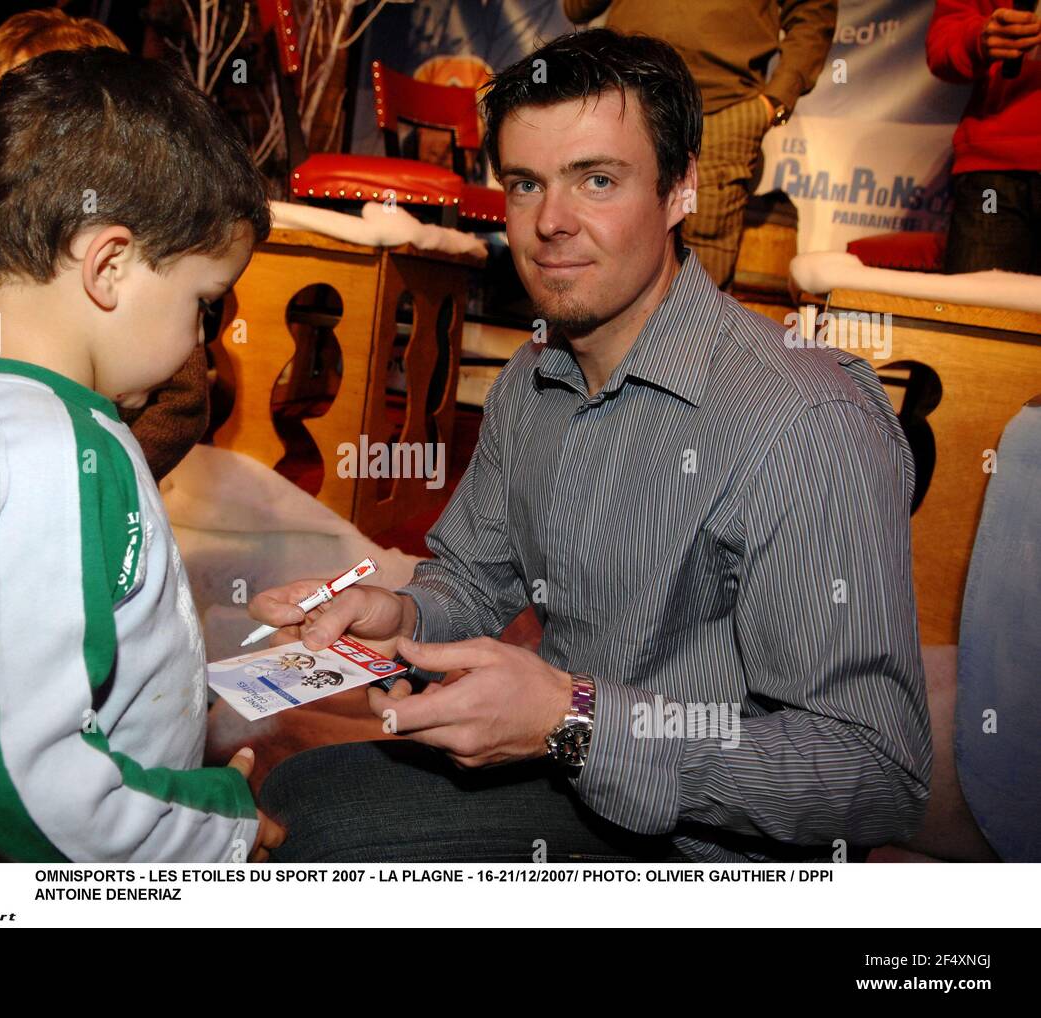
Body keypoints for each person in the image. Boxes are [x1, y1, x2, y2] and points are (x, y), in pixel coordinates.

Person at [250, 30, 932, 863]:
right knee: (295, 794)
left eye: (596, 180)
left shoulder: (805, 423)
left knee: (322, 839)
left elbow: (876, 774)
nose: (551, 224)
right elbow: (473, 576)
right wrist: (402, 614)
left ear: (681, 189)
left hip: (712, 845)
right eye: (526, 185)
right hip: (569, 772)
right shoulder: (533, 376)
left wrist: (576, 721)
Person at [0, 48, 284, 864]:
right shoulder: (38, 457)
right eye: (204, 303)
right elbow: (2, 778)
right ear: (110, 265)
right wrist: (214, 829)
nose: (202, 337)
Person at [0, 7, 210, 482]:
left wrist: (114, 476)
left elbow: (184, 403)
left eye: (33, 123)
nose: (6, 144)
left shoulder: (138, 265)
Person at [563, 0, 837, 290]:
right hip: (618, 105)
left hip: (719, 111)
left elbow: (813, 11)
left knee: (701, 275)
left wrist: (776, 99)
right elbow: (576, 9)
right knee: (603, 245)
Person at [928, 1, 1041, 274]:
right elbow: (942, 43)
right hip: (995, 174)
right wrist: (979, 38)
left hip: (996, 167)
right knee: (973, 312)